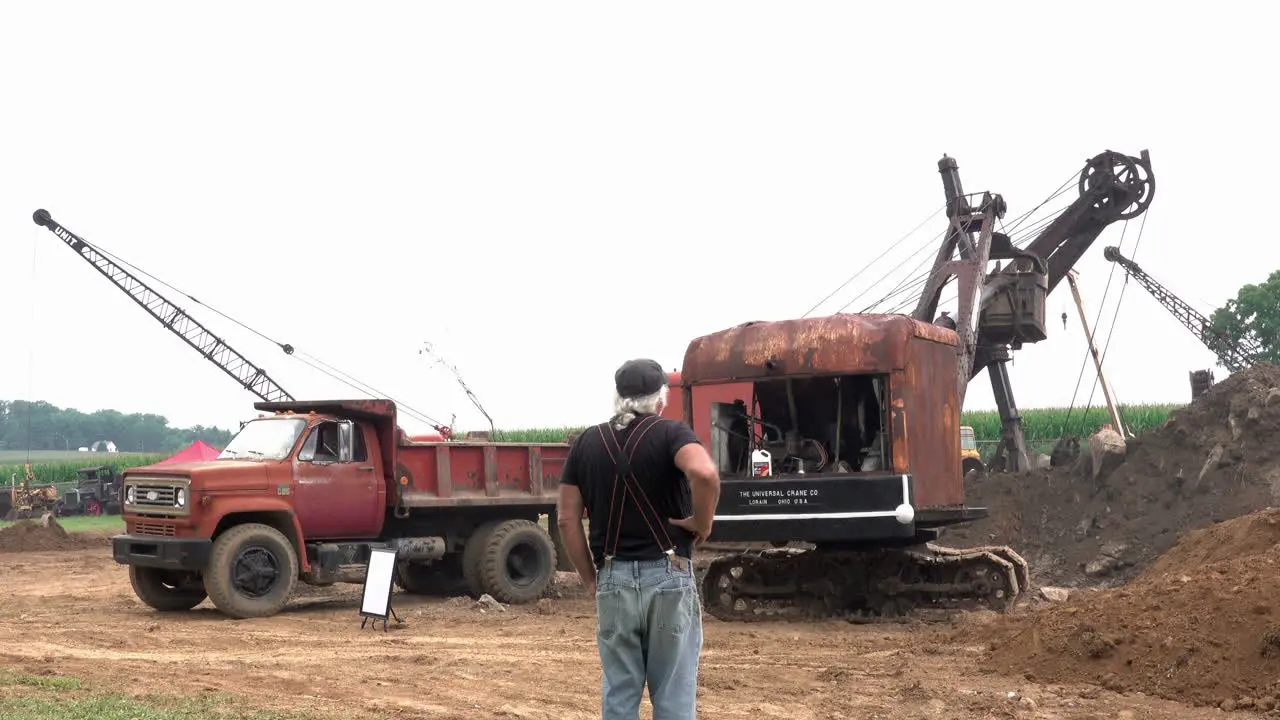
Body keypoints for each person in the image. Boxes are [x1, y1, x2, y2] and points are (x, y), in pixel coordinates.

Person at [557, 358, 721, 720]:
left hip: (613, 576)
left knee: (620, 691)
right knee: (674, 694)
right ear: (660, 397)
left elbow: (567, 520)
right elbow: (705, 473)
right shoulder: (671, 433)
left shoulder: (587, 441)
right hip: (668, 573)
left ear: (618, 397)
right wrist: (702, 521)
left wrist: (590, 579)